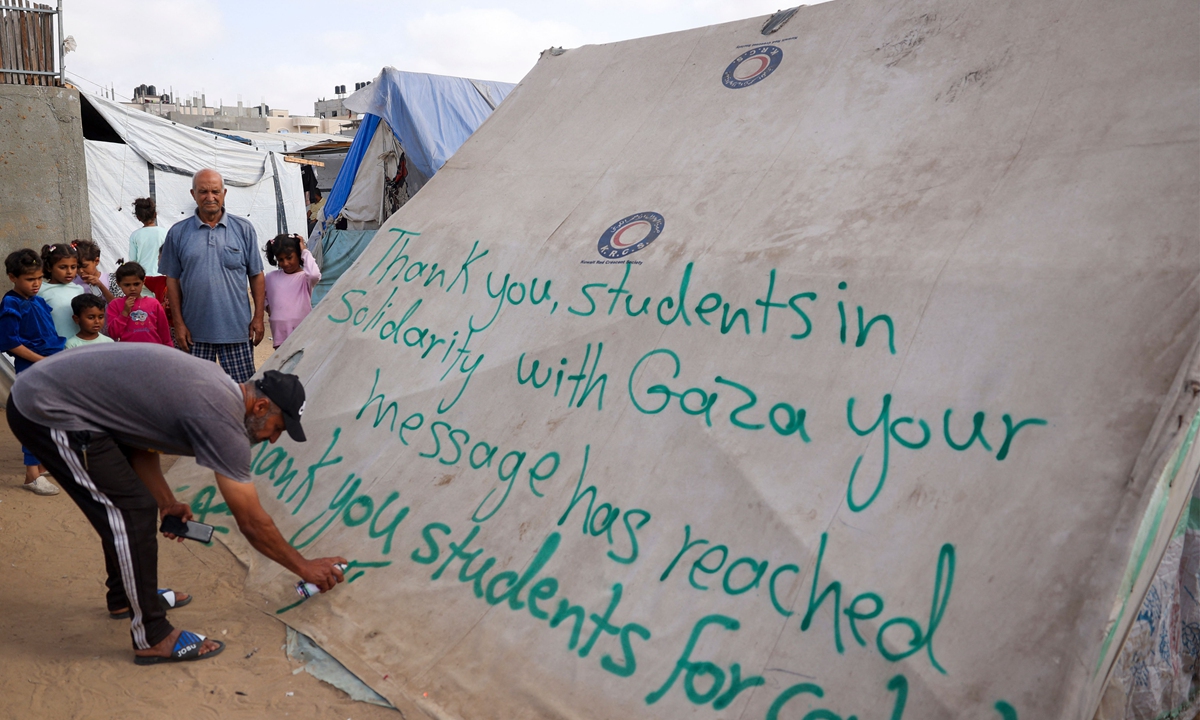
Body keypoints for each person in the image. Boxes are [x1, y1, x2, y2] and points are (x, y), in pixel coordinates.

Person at [5, 344, 346, 664]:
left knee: (134, 504)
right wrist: (304, 567)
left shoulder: (220, 390)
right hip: (46, 408)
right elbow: (252, 522)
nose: (273, 438)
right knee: (130, 510)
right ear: (260, 407)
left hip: (70, 400)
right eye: (277, 428)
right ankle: (152, 635)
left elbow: (138, 436)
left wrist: (166, 501)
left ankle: (128, 596)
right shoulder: (221, 420)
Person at [160, 169, 265, 383]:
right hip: (194, 333)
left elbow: (256, 275)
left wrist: (258, 317)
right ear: (193, 194)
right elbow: (172, 281)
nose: (210, 197)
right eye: (203, 192)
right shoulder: (178, 233)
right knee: (196, 394)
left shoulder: (243, 229)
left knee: (243, 394)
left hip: (237, 331)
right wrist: (179, 324)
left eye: (215, 191)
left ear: (224, 193)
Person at [0, 249, 64, 495]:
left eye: (38, 278)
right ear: (12, 277)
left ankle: (41, 463)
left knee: (50, 418)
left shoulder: (37, 300)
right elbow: (10, 342)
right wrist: (41, 361)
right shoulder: (11, 303)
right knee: (34, 420)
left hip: (51, 364)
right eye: (29, 279)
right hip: (33, 367)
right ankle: (31, 476)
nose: (36, 284)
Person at [263, 234, 321, 349]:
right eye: (280, 259)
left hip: (302, 331)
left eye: (289, 258)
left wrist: (304, 250)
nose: (285, 263)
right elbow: (259, 294)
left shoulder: (305, 278)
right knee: (282, 365)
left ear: (298, 255)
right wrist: (268, 307)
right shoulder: (270, 277)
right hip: (280, 333)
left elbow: (315, 274)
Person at [105, 262, 173, 347]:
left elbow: (165, 334)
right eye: (127, 285)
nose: (132, 288)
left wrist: (169, 352)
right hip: (128, 353)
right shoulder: (115, 305)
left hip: (154, 353)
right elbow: (113, 333)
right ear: (119, 284)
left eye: (136, 284)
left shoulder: (154, 304)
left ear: (143, 281)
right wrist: (124, 313)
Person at [37, 243, 84, 344]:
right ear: (49, 267)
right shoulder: (40, 290)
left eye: (73, 267)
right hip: (54, 347)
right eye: (63, 267)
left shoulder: (79, 290)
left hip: (77, 346)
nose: (69, 271)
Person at [128, 198, 168, 276]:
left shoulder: (135, 235)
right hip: (162, 278)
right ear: (155, 214)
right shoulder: (166, 233)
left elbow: (133, 262)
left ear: (138, 217)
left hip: (143, 279)